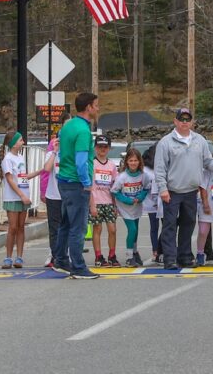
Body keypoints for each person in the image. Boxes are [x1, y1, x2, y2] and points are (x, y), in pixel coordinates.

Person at [154, 107, 213, 271]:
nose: (185, 122)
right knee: (170, 226)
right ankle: (170, 258)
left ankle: (185, 256)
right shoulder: (165, 142)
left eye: (188, 119)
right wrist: (163, 189)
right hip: (172, 190)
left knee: (188, 224)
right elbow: (160, 169)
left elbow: (208, 161)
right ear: (175, 121)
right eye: (182, 119)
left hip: (191, 191)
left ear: (192, 122)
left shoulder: (199, 140)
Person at [52, 92, 101, 278]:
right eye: (96, 105)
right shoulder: (83, 130)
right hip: (76, 183)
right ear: (88, 107)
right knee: (78, 227)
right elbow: (81, 161)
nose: (97, 108)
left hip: (63, 180)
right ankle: (78, 267)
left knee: (65, 223)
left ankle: (61, 260)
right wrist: (87, 183)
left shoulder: (68, 126)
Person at [0, 131, 38, 269]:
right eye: (21, 140)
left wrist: (39, 172)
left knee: (21, 227)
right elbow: (10, 179)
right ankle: (8, 257)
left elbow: (23, 177)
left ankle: (19, 257)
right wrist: (21, 195)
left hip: (23, 195)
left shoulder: (21, 158)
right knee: (13, 227)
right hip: (13, 196)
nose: (23, 142)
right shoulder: (8, 159)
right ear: (14, 143)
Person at [112, 148, 150, 268]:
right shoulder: (122, 177)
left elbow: (146, 188)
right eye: (131, 160)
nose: (133, 163)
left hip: (137, 206)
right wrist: (127, 200)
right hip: (125, 207)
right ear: (127, 162)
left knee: (136, 230)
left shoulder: (144, 176)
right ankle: (129, 257)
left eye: (135, 160)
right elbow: (114, 191)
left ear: (140, 162)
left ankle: (135, 252)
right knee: (132, 229)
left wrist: (140, 197)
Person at [90, 135, 119, 268]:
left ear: (109, 149)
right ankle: (98, 256)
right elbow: (88, 186)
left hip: (108, 201)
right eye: (100, 146)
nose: (102, 149)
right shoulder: (92, 163)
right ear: (95, 148)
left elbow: (115, 186)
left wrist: (115, 205)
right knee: (97, 228)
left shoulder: (112, 165)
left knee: (112, 229)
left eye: (105, 147)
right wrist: (92, 205)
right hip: (95, 201)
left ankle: (112, 256)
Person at [41, 138, 61, 268]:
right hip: (53, 196)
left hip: (67, 195)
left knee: (67, 227)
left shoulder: (71, 153)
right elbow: (47, 169)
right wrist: (54, 151)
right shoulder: (51, 154)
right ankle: (54, 256)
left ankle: (65, 254)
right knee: (54, 228)